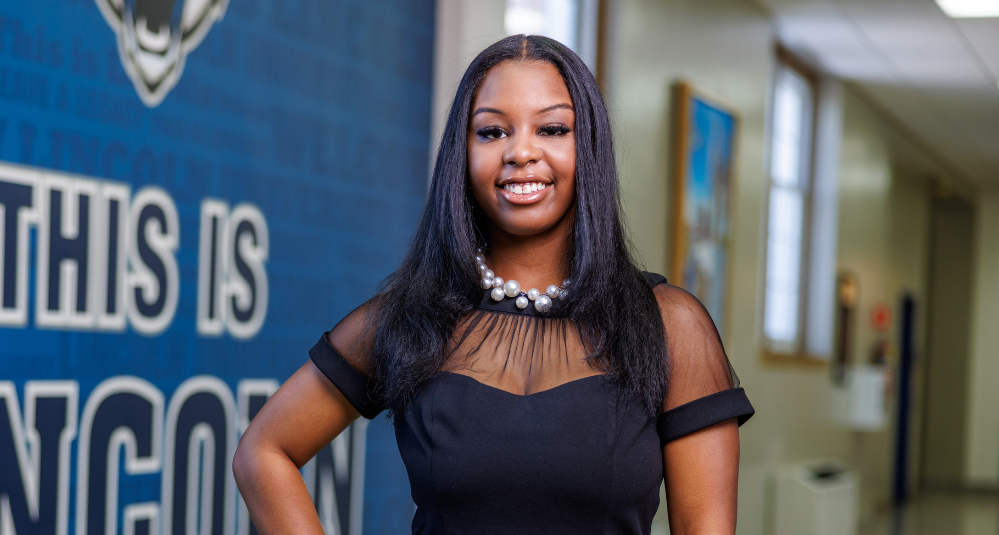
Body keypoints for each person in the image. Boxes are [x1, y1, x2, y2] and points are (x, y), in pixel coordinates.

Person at [232, 34, 754, 534]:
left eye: (551, 130)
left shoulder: (668, 325)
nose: (520, 152)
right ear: (463, 154)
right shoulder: (411, 316)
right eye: (492, 131)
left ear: (589, 146)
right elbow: (263, 452)